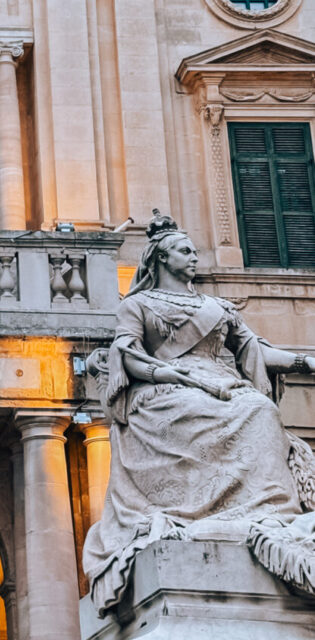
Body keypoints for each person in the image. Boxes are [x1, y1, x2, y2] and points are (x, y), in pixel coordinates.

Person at [83, 210, 315, 615]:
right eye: (183, 251)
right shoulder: (137, 304)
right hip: (164, 391)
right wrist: (166, 372)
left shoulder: (218, 306)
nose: (194, 257)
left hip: (225, 385)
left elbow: (255, 351)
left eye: (193, 250)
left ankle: (269, 510)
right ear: (161, 258)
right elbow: (128, 354)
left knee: (260, 409)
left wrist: (303, 363)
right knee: (202, 407)